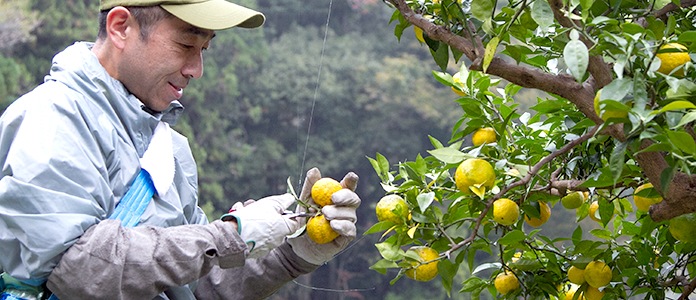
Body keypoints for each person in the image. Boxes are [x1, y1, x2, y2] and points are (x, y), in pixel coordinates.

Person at [0, 0, 361, 299]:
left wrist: (292, 253)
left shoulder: (169, 150)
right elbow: (78, 272)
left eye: (204, 49)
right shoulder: (51, 121)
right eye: (186, 45)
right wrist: (230, 235)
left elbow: (192, 287)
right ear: (121, 27)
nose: (196, 69)